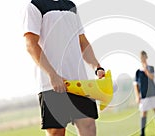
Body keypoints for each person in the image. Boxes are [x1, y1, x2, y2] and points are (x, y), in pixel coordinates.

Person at [22, 0, 105, 135]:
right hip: (52, 84)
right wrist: (53, 75)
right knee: (57, 132)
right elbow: (31, 45)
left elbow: (82, 42)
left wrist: (97, 67)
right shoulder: (34, 6)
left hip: (80, 83)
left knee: (89, 125)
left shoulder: (70, 5)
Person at [133, 51, 155, 136]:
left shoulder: (150, 68)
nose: (143, 58)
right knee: (143, 113)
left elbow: (151, 77)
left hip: (153, 93)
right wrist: (137, 96)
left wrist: (146, 69)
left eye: (144, 56)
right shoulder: (138, 72)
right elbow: (136, 85)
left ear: (146, 57)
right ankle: (142, 133)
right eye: (141, 57)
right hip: (143, 95)